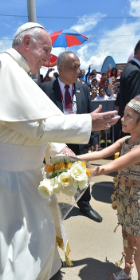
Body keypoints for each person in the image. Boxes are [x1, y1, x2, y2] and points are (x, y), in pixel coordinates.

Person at [0, 22, 120, 280]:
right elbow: (30, 126)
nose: (48, 58)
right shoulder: (2, 65)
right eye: (45, 50)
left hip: (23, 175)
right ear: (26, 43)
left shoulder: (20, 73)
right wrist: (86, 122)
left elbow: (32, 123)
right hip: (8, 178)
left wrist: (61, 148)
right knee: (17, 245)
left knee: (32, 240)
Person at [79, 95, 140, 280]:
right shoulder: (126, 140)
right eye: (123, 115)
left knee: (138, 246)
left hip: (138, 202)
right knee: (127, 238)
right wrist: (71, 158)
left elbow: (108, 167)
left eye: (128, 116)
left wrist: (75, 172)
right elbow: (101, 154)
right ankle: (127, 270)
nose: (122, 119)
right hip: (125, 197)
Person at [40, 51, 103, 223]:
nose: (79, 71)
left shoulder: (83, 88)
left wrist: (94, 139)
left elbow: (91, 116)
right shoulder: (45, 89)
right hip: (56, 142)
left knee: (82, 172)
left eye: (79, 67)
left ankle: (84, 204)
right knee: (52, 175)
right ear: (61, 69)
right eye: (74, 68)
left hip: (79, 140)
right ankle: (50, 206)